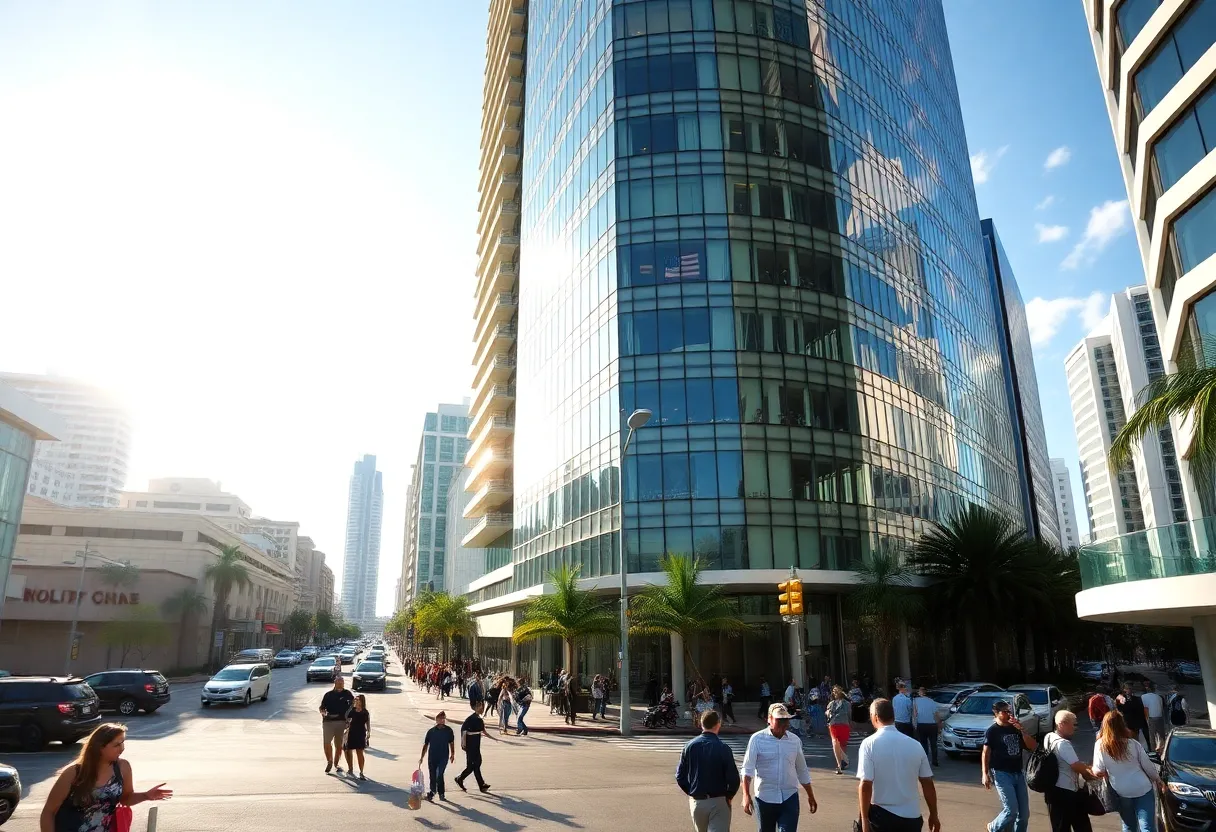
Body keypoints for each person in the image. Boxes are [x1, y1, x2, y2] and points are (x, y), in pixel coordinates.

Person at [40, 723, 172, 832]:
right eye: (116, 745)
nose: (122, 749)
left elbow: (126, 798)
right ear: (99, 748)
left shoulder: (123, 767)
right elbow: (48, 812)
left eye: (123, 743)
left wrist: (146, 795)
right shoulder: (73, 773)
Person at [856, 698, 940, 832]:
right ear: (893, 717)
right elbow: (927, 783)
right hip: (912, 818)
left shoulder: (869, 744)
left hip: (881, 817)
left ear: (875, 717)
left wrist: (864, 819)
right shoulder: (915, 745)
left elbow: (866, 784)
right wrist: (934, 814)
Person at [740, 703, 817, 832]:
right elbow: (747, 770)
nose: (783, 724)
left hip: (789, 797)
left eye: (786, 720)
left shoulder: (794, 741)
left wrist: (811, 795)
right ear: (769, 719)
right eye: (779, 720)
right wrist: (746, 795)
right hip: (764, 798)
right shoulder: (757, 739)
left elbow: (802, 770)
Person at [1093, 709, 1162, 832]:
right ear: (1122, 724)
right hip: (1143, 788)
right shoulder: (1133, 744)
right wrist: (1158, 779)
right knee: (1147, 826)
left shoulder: (1100, 745)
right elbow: (1148, 766)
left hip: (1121, 791)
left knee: (1129, 826)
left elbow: (1098, 770)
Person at [676, 710, 741, 832]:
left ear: (701, 724)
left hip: (697, 800)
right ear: (718, 724)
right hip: (718, 799)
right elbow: (733, 778)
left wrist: (690, 791)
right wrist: (729, 795)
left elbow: (680, 776)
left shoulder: (689, 746)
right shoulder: (723, 748)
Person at [982, 698, 1037, 832]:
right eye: (1005, 712)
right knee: (1011, 810)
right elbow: (986, 753)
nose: (1009, 714)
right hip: (1002, 774)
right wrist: (985, 773)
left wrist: (1022, 730)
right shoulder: (992, 731)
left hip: (1018, 773)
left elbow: (1032, 746)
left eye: (1010, 711)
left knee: (1024, 815)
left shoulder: (1016, 728)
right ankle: (993, 827)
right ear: (996, 713)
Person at [1042, 710, 1098, 832]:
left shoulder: (1049, 737)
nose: (1075, 728)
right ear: (1062, 724)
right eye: (1073, 724)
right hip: (1067, 793)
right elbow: (1076, 766)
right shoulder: (1063, 744)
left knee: (1060, 827)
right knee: (1082, 827)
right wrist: (1093, 771)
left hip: (1053, 791)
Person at [455, 701, 498, 794]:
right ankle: (479, 784)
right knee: (472, 766)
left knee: (476, 764)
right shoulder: (470, 719)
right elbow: (463, 731)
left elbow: (484, 731)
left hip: (476, 745)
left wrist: (493, 738)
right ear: (475, 708)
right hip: (470, 745)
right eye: (480, 707)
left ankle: (462, 779)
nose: (482, 709)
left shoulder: (479, 719)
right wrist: (463, 744)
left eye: (482, 707)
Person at [418, 711, 456, 802]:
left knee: (439, 774)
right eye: (441, 718)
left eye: (444, 718)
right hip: (432, 757)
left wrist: (452, 754)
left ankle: (440, 793)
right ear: (436, 720)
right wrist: (422, 757)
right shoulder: (431, 731)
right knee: (432, 775)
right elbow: (426, 745)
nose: (443, 720)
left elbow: (451, 743)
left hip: (443, 757)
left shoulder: (449, 730)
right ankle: (432, 792)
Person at [320, 675, 355, 774]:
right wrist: (323, 712)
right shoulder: (328, 695)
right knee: (327, 743)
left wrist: (350, 720)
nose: (340, 685)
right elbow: (322, 707)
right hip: (328, 722)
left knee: (339, 746)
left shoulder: (348, 694)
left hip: (342, 722)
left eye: (342, 683)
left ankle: (336, 764)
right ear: (335, 683)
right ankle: (329, 761)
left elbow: (353, 706)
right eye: (338, 683)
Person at [343, 694, 371, 781]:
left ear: (362, 701)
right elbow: (346, 717)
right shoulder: (353, 710)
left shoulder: (365, 712)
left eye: (357, 699)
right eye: (355, 699)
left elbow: (368, 723)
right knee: (348, 750)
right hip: (351, 732)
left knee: (360, 752)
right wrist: (352, 705)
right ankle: (350, 768)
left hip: (361, 733)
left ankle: (361, 772)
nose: (356, 700)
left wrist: (369, 733)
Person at [826, 685, 852, 775]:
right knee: (835, 742)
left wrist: (850, 724)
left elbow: (849, 715)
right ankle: (839, 764)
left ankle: (844, 760)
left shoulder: (847, 704)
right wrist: (828, 713)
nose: (835, 692)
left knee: (843, 744)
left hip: (844, 724)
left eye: (837, 691)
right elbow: (827, 714)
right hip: (834, 724)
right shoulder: (831, 703)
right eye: (834, 691)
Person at [914, 686, 941, 767]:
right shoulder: (932, 701)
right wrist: (939, 725)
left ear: (920, 692)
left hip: (921, 724)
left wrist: (915, 724)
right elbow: (936, 715)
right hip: (932, 725)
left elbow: (915, 713)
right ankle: (935, 760)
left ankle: (924, 760)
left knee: (923, 743)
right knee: (933, 743)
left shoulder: (916, 701)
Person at [1116, 683, 1150, 748]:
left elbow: (1140, 710)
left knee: (1135, 740)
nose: (1130, 690)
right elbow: (1120, 709)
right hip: (1127, 722)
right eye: (1128, 689)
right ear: (1124, 689)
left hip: (1135, 723)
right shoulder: (1120, 697)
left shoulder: (1136, 698)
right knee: (1128, 740)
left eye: (1131, 689)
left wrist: (1142, 722)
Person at [1140, 682, 1165, 752]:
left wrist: (1146, 720)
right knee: (1161, 736)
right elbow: (1162, 708)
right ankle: (1163, 749)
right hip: (1160, 718)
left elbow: (1144, 709)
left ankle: (1153, 751)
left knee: (1152, 736)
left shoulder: (1143, 697)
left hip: (1152, 718)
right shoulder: (1159, 697)